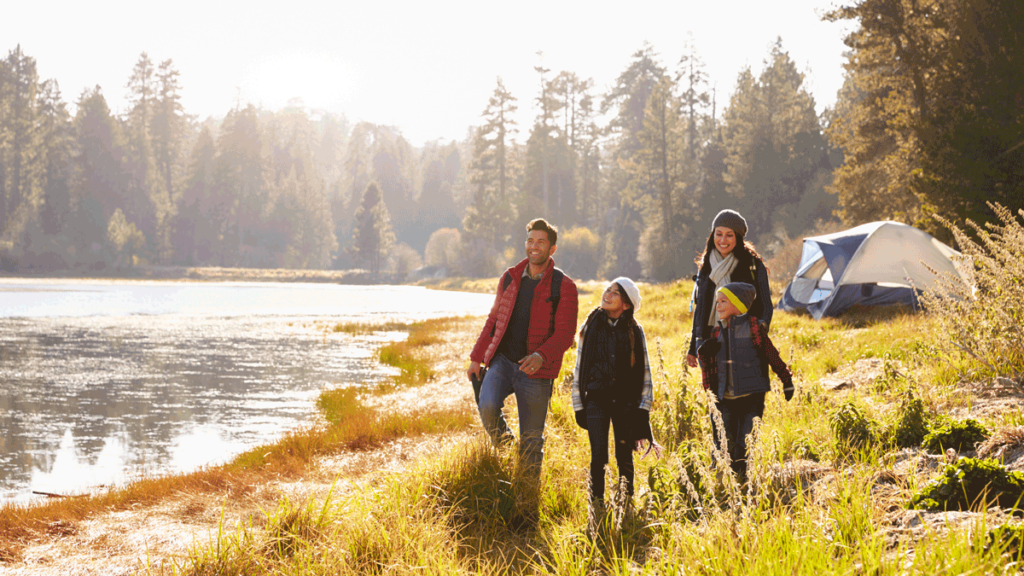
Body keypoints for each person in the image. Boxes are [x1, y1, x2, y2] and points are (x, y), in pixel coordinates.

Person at [467, 218, 579, 478]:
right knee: (487, 405)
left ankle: (526, 493)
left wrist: (542, 356)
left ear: (552, 249)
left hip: (537, 372)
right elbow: (493, 320)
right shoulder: (509, 277)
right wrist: (476, 357)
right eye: (530, 241)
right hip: (502, 362)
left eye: (541, 242)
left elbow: (565, 334)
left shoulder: (564, 286)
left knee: (532, 438)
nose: (534, 246)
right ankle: (506, 448)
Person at [571, 277, 659, 509]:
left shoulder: (635, 330)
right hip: (596, 401)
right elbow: (579, 367)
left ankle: (625, 502)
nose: (607, 294)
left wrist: (643, 407)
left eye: (615, 293)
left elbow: (646, 371)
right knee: (598, 456)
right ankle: (597, 505)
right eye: (607, 290)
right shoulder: (590, 326)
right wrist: (579, 405)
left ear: (627, 305)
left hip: (625, 402)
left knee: (624, 455)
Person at [697, 282, 794, 480]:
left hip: (752, 396)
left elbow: (771, 354)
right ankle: (724, 478)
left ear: (738, 304)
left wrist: (786, 379)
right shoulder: (717, 332)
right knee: (724, 438)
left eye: (723, 301)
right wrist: (704, 357)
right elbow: (709, 368)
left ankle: (743, 477)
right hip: (726, 397)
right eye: (717, 302)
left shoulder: (753, 327)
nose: (718, 306)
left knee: (746, 438)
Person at [685, 209, 773, 370]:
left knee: (742, 391)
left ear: (738, 237)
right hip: (707, 340)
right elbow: (701, 308)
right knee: (714, 393)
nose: (723, 240)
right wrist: (692, 346)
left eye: (729, 235)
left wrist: (758, 331)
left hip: (742, 340)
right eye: (718, 234)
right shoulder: (706, 265)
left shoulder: (752, 264)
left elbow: (766, 305)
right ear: (712, 235)